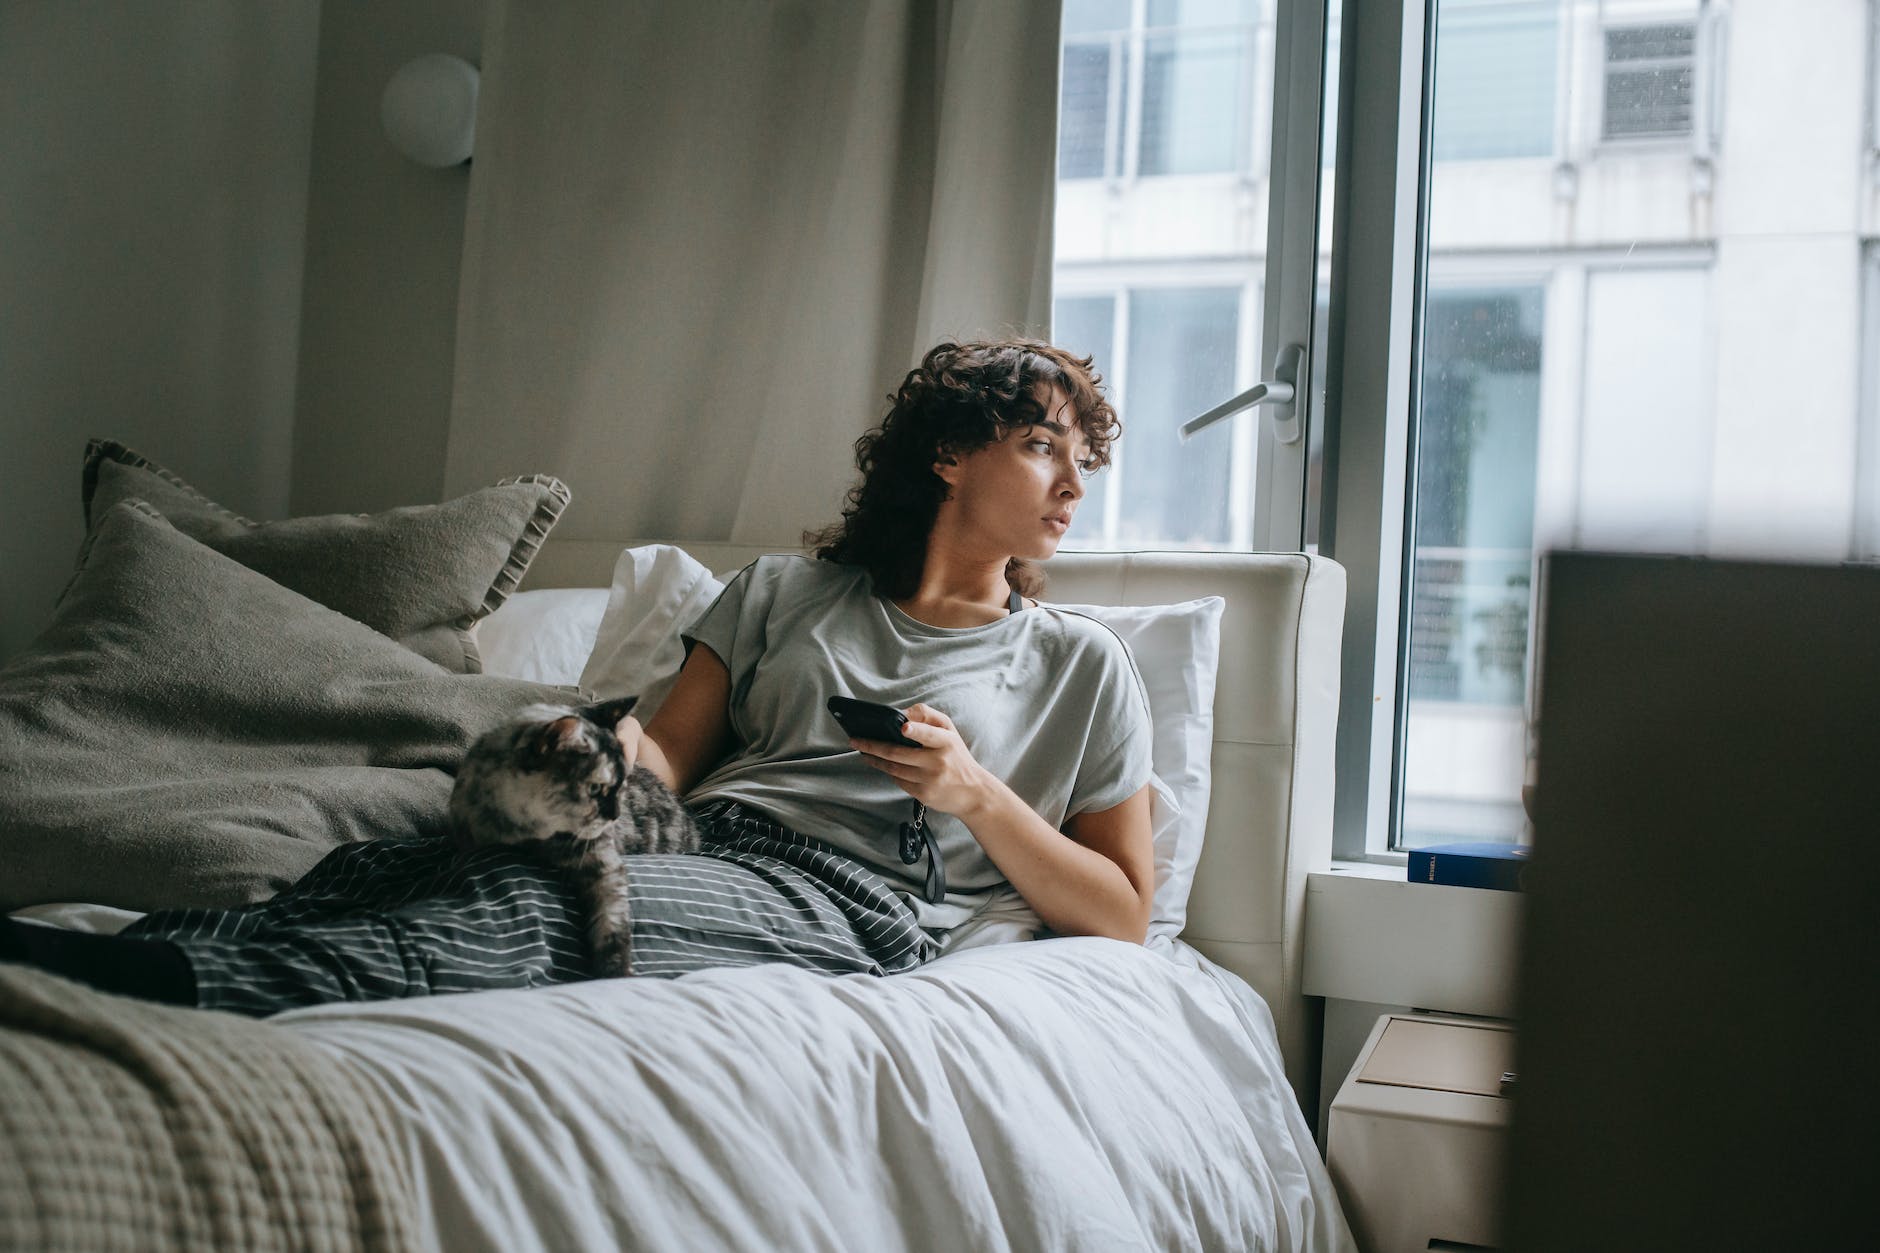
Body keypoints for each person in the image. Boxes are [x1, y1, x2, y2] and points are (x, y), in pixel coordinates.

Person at [2, 339, 1156, 1014]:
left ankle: (168, 984)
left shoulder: (1078, 665)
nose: (1071, 483)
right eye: (1042, 445)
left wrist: (972, 795)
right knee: (385, 862)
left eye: (1081, 458)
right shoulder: (781, 592)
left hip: (852, 895)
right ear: (950, 454)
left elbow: (1122, 912)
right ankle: (146, 941)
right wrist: (593, 749)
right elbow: (669, 756)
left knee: (541, 906)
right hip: (704, 838)